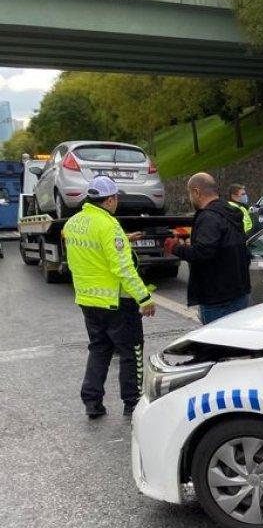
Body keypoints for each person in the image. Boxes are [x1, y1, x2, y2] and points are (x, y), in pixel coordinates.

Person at [61, 176, 156, 418]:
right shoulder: (109, 225)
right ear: (110, 199)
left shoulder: (73, 223)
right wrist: (144, 298)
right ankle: (132, 403)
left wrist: (124, 239)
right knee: (131, 350)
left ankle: (92, 402)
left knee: (99, 349)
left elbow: (82, 256)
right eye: (116, 200)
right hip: (117, 302)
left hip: (87, 300)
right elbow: (123, 268)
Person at [162, 173, 251, 325]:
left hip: (217, 298)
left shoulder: (208, 217)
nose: (190, 198)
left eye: (190, 193)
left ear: (196, 192)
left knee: (215, 344)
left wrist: (175, 247)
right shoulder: (231, 212)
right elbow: (219, 247)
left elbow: (202, 253)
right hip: (240, 292)